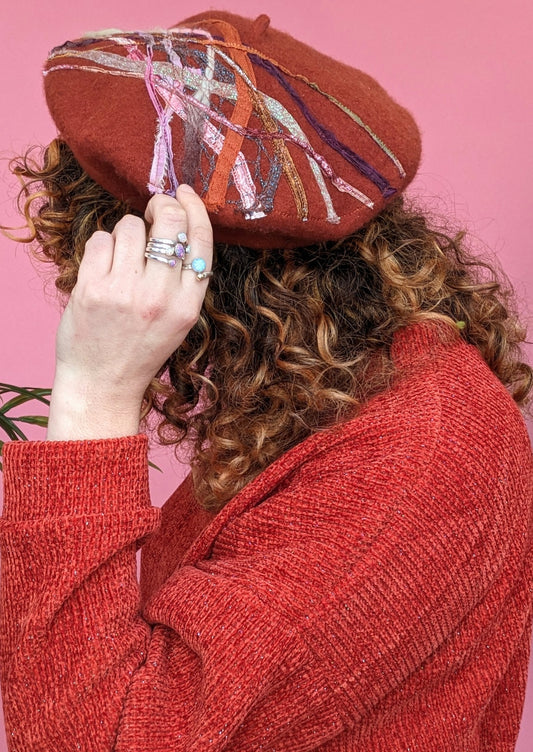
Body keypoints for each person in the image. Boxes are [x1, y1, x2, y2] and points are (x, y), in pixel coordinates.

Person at [1, 10, 532, 752]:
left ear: (175, 260)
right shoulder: (329, 391)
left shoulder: (416, 452)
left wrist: (92, 391)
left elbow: (98, 739)